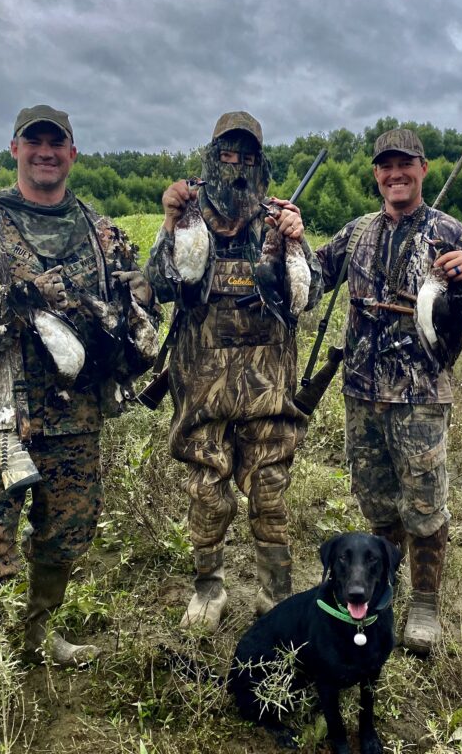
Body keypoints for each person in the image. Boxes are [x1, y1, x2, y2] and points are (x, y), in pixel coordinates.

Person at [0, 105, 159, 744]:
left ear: (72, 154)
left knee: (67, 540)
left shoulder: (102, 232)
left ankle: (35, 636)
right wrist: (20, 304)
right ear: (15, 149)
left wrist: (132, 321)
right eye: (34, 142)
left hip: (77, 421)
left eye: (57, 143)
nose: (45, 152)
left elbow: (135, 306)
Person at [315, 128, 462, 655]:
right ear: (376, 174)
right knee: (377, 504)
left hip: (421, 397)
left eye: (405, 165)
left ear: (424, 169)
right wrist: (285, 237)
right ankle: (381, 590)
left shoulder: (449, 232)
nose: (395, 174)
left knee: (425, 507)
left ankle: (424, 604)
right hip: (361, 395)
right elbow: (310, 277)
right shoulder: (356, 233)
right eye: (385, 166)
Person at [146, 111, 322, 633]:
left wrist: (296, 238)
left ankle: (276, 594)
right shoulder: (188, 211)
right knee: (207, 491)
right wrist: (167, 224)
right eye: (228, 151)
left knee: (270, 489)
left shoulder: (277, 218)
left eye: (247, 154)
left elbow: (304, 298)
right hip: (203, 388)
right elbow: (158, 284)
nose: (237, 163)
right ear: (212, 154)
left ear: (259, 161)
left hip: (268, 387)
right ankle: (208, 587)